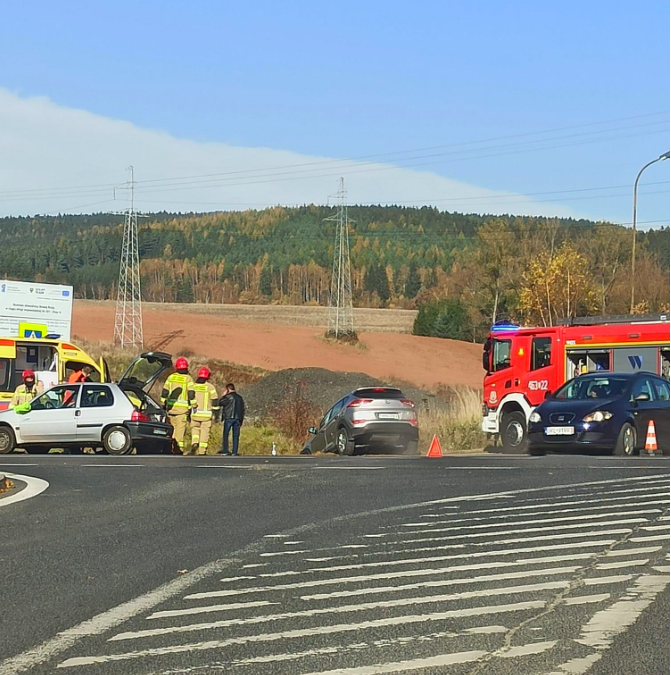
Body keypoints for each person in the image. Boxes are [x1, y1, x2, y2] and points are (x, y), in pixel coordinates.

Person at [160, 357, 195, 454]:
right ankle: (178, 450)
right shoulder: (188, 378)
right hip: (182, 410)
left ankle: (169, 449)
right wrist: (194, 405)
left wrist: (163, 403)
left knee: (172, 431)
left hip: (171, 409)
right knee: (180, 431)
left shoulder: (171, 377)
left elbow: (165, 391)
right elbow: (191, 393)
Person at [189, 367, 220, 456]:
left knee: (195, 429)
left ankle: (194, 442)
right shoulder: (210, 387)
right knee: (204, 432)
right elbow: (215, 402)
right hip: (206, 415)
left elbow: (189, 399)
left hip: (195, 413)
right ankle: (202, 451)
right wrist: (216, 415)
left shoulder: (193, 386)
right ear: (208, 376)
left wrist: (188, 413)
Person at [220, 383, 245, 456]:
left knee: (226, 434)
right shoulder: (240, 397)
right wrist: (241, 420)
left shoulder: (227, 397)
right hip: (237, 418)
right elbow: (242, 409)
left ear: (228, 389)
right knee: (236, 435)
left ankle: (225, 450)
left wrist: (223, 396)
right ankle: (234, 451)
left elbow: (220, 403)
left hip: (229, 417)